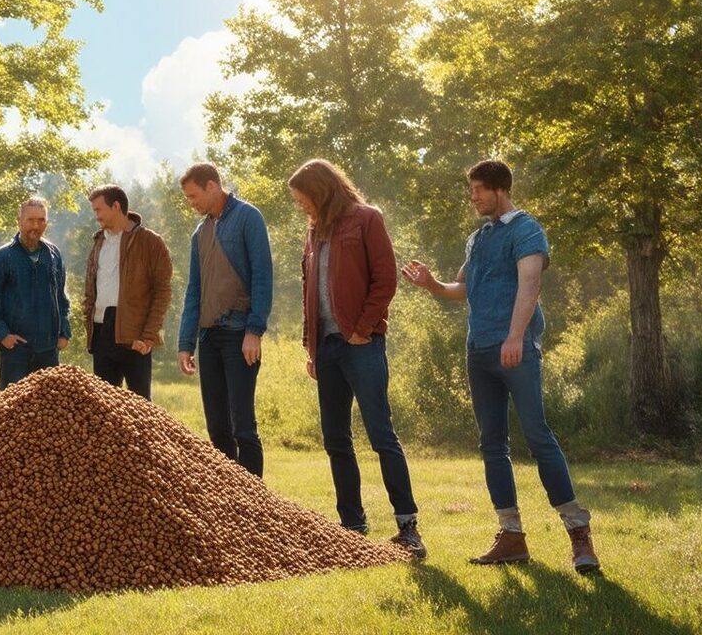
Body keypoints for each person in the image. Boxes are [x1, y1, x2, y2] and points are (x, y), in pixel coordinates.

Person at [402, 159, 599, 573]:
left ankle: (579, 534)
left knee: (538, 436)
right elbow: (463, 289)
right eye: (471, 189)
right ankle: (511, 535)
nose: (472, 197)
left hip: (516, 349)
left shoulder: (526, 229)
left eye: (477, 189)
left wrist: (514, 336)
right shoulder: (477, 239)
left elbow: (530, 284)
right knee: (492, 444)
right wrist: (432, 284)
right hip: (480, 352)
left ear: (499, 190)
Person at [289, 158, 426, 559]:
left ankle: (408, 526)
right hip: (327, 347)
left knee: (381, 434)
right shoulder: (313, 231)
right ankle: (352, 525)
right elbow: (307, 289)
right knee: (335, 439)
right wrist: (311, 346)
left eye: (303, 199)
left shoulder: (367, 219)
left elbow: (385, 279)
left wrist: (363, 328)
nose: (301, 207)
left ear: (322, 189)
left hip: (362, 345)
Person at [176, 163, 272, 478]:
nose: (191, 203)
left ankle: (257, 502)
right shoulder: (199, 233)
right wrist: (185, 343)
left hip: (239, 334)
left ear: (212, 187)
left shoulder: (248, 217)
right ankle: (230, 504)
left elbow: (262, 276)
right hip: (209, 339)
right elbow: (194, 290)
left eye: (193, 196)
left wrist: (254, 330)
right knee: (217, 429)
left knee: (242, 425)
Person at [81, 184, 172, 400]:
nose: (96, 216)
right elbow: (90, 290)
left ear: (116, 206)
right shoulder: (98, 242)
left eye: (98, 210)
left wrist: (149, 335)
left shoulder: (150, 242)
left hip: (135, 334)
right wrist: (89, 326)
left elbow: (163, 291)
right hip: (102, 330)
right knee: (104, 409)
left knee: (141, 408)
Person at [0, 197, 72, 389]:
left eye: (41, 220)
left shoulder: (54, 255)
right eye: (30, 220)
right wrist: (3, 335)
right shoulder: (3, 257)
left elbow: (62, 299)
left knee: (49, 410)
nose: (35, 226)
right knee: (13, 411)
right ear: (19, 221)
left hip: (48, 349)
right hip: (16, 351)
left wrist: (64, 332)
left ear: (47, 222)